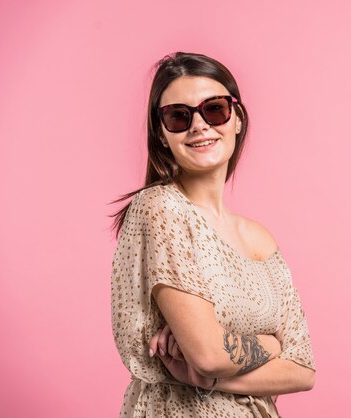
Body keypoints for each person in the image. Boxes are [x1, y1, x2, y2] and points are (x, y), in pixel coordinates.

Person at [109, 52, 316, 417]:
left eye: (214, 109)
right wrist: (270, 344)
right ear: (161, 134)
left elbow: (302, 370)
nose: (199, 126)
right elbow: (207, 354)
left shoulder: (260, 238)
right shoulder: (161, 210)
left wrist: (212, 378)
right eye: (179, 116)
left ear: (237, 119)